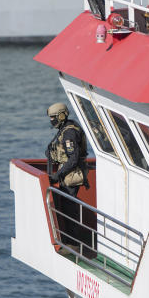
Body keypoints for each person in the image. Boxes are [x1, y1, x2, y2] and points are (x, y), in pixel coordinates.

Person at [45, 102, 89, 250]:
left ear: (62, 115)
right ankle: (71, 242)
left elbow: (73, 158)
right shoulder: (65, 128)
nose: (52, 120)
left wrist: (58, 175)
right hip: (66, 173)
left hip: (71, 175)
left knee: (70, 209)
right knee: (66, 207)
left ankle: (74, 244)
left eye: (54, 117)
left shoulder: (69, 132)